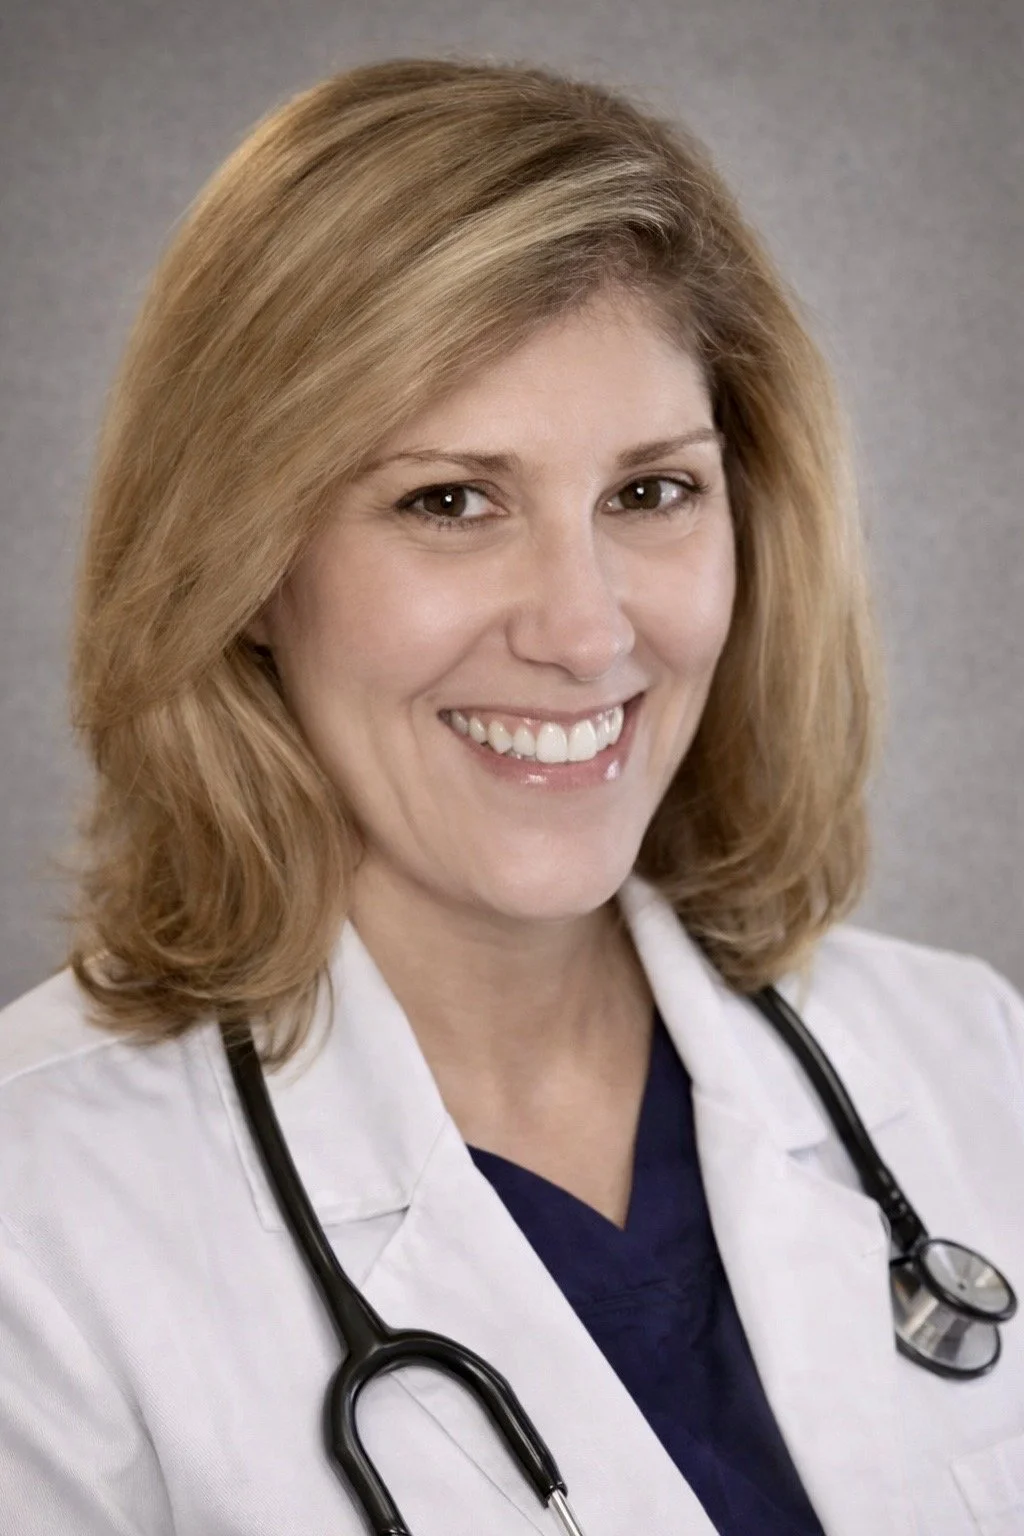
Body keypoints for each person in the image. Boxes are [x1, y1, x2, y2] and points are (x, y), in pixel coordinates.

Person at [0, 56, 1021, 1536]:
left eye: (651, 492)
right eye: (449, 501)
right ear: (246, 569)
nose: (587, 632)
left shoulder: (970, 1061)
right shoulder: (37, 1221)